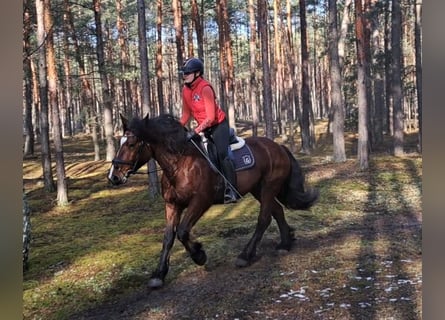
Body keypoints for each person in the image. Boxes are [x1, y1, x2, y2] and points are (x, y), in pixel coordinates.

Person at [179, 57, 239, 203]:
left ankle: (232, 190)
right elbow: (186, 114)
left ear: (197, 73)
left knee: (222, 154)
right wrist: (176, 128)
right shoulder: (186, 90)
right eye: (183, 73)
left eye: (187, 73)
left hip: (218, 126)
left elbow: (211, 117)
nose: (184, 75)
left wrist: (195, 131)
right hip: (204, 128)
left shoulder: (205, 88)